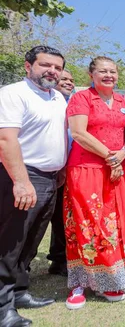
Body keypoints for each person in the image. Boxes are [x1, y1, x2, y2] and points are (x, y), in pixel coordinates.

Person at [0, 46, 67, 326]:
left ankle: (19, 290)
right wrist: (21, 181)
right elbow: (6, 140)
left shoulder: (58, 98)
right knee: (9, 244)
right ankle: (3, 308)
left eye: (57, 67)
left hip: (51, 179)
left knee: (31, 240)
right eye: (45, 65)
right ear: (28, 66)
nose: (52, 71)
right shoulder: (14, 94)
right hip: (23, 176)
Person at [62, 56, 125, 310]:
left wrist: (121, 156)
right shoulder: (81, 98)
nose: (108, 75)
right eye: (102, 71)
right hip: (87, 169)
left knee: (114, 223)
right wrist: (110, 157)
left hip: (118, 170)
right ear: (91, 74)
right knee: (86, 224)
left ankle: (111, 280)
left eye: (113, 71)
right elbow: (79, 133)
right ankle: (79, 283)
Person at [47, 70, 75, 277]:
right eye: (64, 79)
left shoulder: (73, 103)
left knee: (61, 217)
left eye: (71, 80)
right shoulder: (48, 103)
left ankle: (58, 259)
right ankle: (22, 265)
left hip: (69, 169)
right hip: (46, 168)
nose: (69, 83)